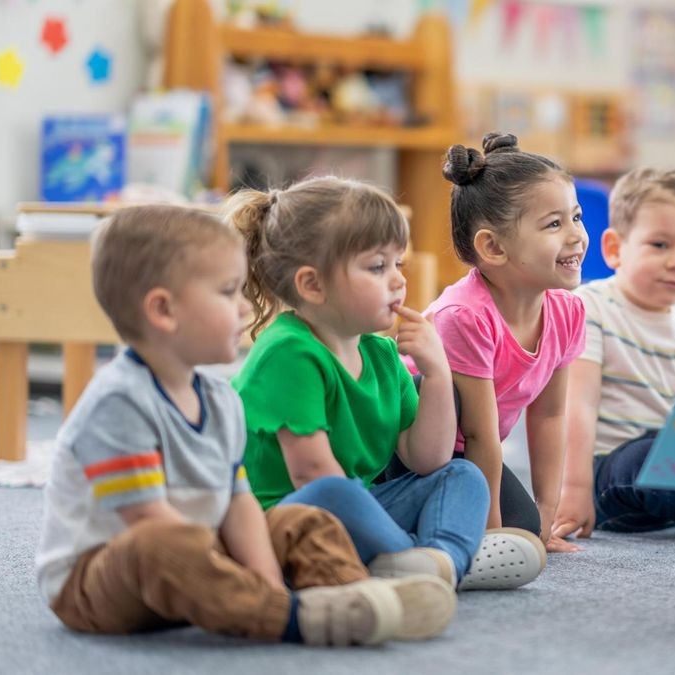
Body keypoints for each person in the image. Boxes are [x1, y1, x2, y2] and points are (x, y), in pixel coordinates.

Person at [35, 205, 454, 646]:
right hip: (100, 583)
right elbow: (148, 521)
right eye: (228, 292)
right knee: (164, 543)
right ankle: (295, 618)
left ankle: (357, 597)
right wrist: (264, 594)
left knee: (301, 520)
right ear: (164, 310)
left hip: (203, 553)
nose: (245, 307)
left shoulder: (218, 398)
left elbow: (238, 504)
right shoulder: (119, 402)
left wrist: (267, 578)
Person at [229, 177, 545, 591]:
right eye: (378, 267)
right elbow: (312, 474)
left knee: (462, 475)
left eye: (399, 264)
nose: (398, 281)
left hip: (356, 511)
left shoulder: (380, 354)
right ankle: (417, 558)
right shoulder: (287, 351)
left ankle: (440, 562)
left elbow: (426, 459)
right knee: (332, 492)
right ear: (313, 285)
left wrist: (436, 373)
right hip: (287, 520)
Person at [552, 167, 675, 541]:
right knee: (648, 460)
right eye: (660, 245)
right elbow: (576, 406)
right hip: (609, 472)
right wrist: (574, 491)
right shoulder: (589, 307)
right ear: (615, 248)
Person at [423, 133, 587, 552]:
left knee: (527, 527)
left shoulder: (567, 312)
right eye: (554, 224)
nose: (575, 236)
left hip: (471, 451)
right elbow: (478, 433)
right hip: (411, 447)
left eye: (577, 217)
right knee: (500, 532)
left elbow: (549, 418)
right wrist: (491, 536)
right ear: (493, 247)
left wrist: (545, 516)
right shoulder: (464, 316)